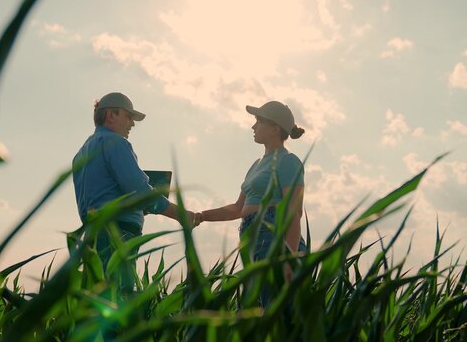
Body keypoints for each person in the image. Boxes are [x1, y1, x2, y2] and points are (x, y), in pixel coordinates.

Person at [72, 92, 196, 292]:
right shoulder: (116, 143)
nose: (132, 124)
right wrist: (179, 214)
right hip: (118, 233)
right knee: (119, 295)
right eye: (128, 116)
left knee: (97, 295)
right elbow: (139, 191)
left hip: (93, 234)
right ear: (111, 115)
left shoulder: (81, 153)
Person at [195, 100, 306, 305]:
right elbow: (237, 209)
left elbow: (293, 211)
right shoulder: (256, 164)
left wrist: (289, 260)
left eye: (258, 122)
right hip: (252, 237)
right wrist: (202, 216)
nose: (253, 127)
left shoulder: (288, 161)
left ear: (274, 128)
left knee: (270, 307)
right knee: (257, 308)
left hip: (273, 236)